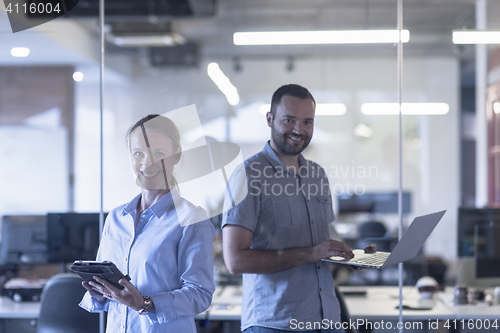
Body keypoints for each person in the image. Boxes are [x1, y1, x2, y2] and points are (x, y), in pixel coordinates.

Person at [222, 84, 354, 333]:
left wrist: (351, 255)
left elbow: (318, 245)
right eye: (289, 120)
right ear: (270, 119)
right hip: (275, 323)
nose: (299, 130)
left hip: (326, 319)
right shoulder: (248, 176)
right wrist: (310, 253)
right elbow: (235, 260)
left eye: (307, 122)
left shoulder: (317, 175)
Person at [79, 114, 215, 333]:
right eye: (138, 153)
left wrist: (143, 304)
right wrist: (99, 289)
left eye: (158, 154)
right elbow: (109, 294)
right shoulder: (116, 218)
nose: (147, 163)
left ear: (177, 155)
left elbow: (200, 294)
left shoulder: (191, 219)